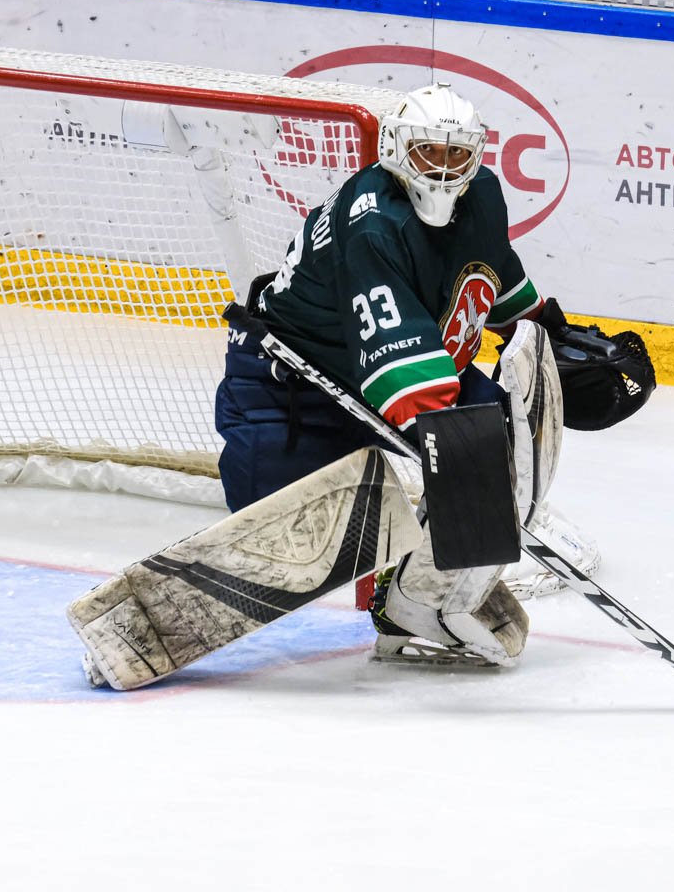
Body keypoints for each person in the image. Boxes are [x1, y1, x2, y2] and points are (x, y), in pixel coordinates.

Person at [215, 83, 558, 667]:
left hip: (368, 371)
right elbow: (405, 376)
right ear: (397, 149)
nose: (445, 169)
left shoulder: (482, 193)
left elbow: (486, 268)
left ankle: (416, 602)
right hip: (291, 387)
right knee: (284, 542)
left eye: (457, 153)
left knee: (498, 439)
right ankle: (412, 577)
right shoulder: (373, 222)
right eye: (430, 152)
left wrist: (551, 328)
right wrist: (465, 473)